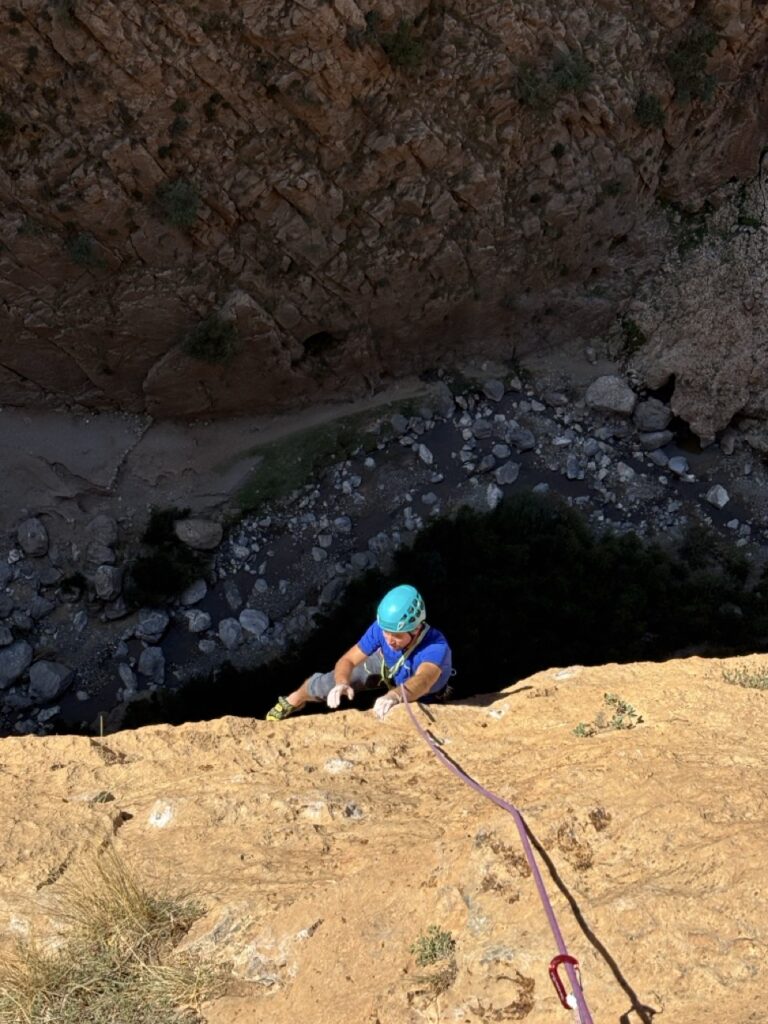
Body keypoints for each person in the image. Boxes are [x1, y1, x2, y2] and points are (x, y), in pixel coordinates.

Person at [266, 584, 453, 721]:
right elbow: (348, 660)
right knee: (327, 683)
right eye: (386, 633)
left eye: (396, 635)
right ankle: (293, 700)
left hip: (422, 693)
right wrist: (341, 683)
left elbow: (425, 680)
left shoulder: (436, 646)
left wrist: (394, 696)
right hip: (386, 664)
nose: (388, 640)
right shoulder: (382, 629)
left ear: (416, 629)